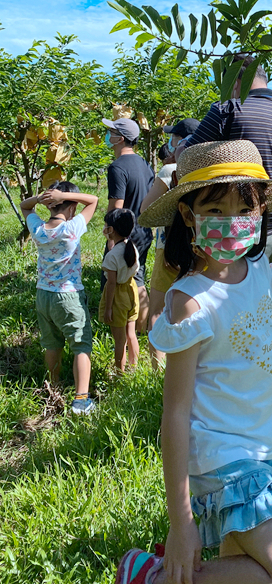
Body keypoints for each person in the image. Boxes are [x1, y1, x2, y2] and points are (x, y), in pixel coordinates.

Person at [116, 140, 272, 584]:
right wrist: (180, 521)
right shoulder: (190, 301)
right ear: (188, 217)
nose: (231, 224)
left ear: (262, 209)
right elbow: (176, 411)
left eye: (242, 209)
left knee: (251, 573)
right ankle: (153, 578)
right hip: (224, 458)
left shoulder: (260, 270)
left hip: (262, 448)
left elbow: (265, 332)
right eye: (214, 211)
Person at [180, 56, 272, 368]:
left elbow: (190, 155)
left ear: (236, 80)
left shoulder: (228, 110)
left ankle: (241, 388)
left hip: (241, 233)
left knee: (236, 319)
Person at [20, 181, 98, 415]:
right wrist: (63, 195)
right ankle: (81, 400)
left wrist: (42, 198)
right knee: (81, 346)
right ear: (72, 207)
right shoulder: (72, 228)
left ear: (49, 206)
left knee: (52, 344)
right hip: (69, 296)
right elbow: (94, 200)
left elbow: (25, 206)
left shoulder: (39, 229)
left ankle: (52, 389)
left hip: (43, 295)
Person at [142, 118, 200, 369]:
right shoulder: (205, 169)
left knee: (157, 310)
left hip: (169, 250)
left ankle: (158, 368)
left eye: (174, 138)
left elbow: (146, 212)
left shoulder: (170, 171)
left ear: (182, 142)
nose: (171, 142)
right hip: (201, 248)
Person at [102, 117, 154, 333]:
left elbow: (116, 208)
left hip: (124, 234)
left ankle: (120, 329)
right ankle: (142, 329)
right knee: (138, 276)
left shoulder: (117, 167)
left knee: (117, 279)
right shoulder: (145, 164)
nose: (107, 136)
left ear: (119, 138)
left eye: (110, 132)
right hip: (143, 231)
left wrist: (110, 239)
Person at [100, 209, 140, 372]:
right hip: (132, 290)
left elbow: (111, 283)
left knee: (119, 340)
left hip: (118, 296)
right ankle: (134, 367)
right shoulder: (132, 248)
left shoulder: (112, 256)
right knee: (131, 334)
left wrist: (108, 308)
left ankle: (119, 374)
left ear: (112, 230)